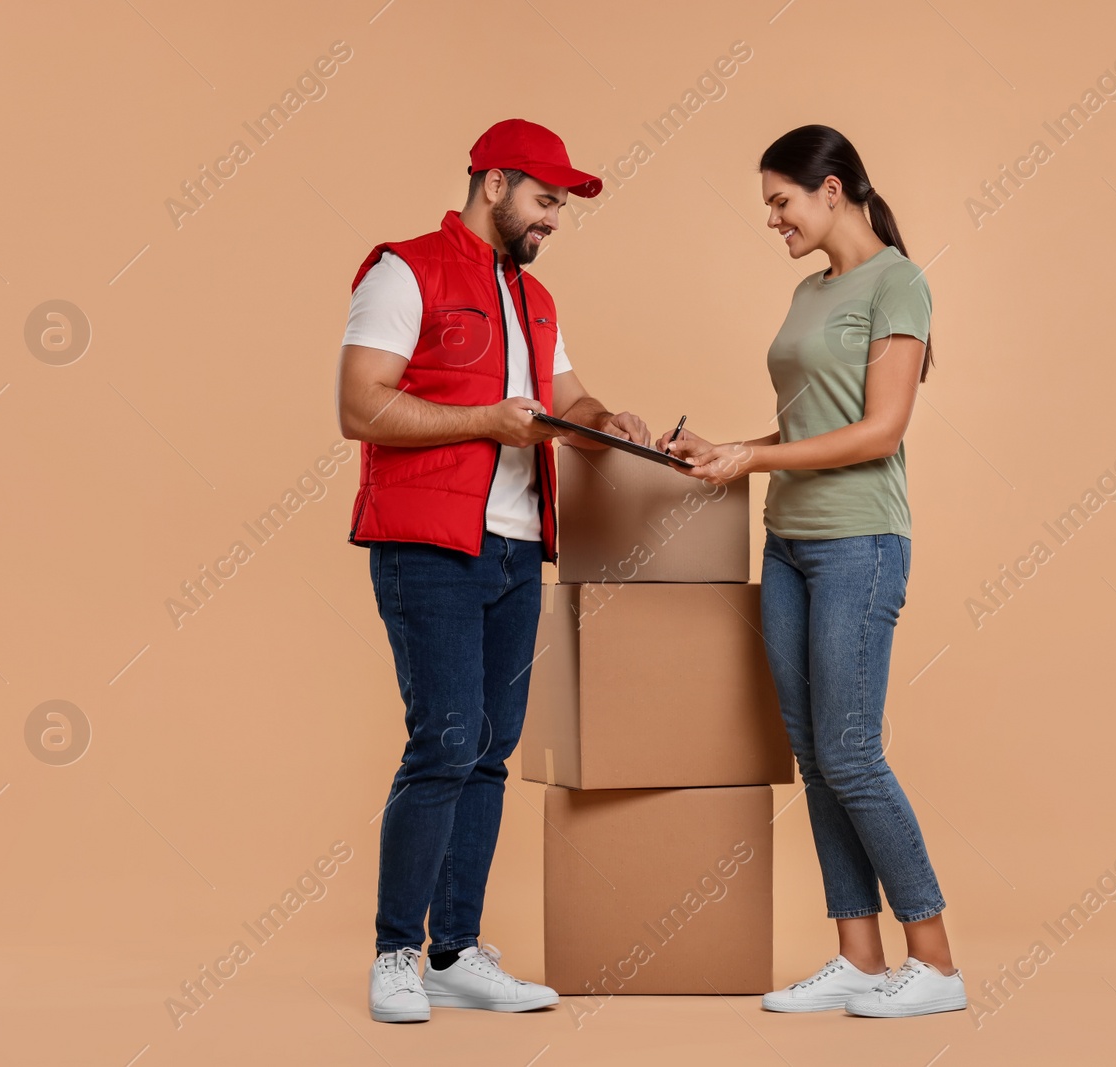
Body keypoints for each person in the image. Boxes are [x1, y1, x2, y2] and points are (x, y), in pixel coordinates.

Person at [336, 118, 652, 1024]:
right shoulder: (406, 268)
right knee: (441, 740)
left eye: (560, 207)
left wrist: (608, 416)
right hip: (430, 544)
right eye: (546, 200)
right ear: (496, 183)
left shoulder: (536, 296)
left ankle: (455, 950)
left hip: (518, 546)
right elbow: (360, 406)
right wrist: (484, 423)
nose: (552, 220)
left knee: (489, 752)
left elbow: (563, 398)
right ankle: (396, 951)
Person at [660, 124, 964, 1019]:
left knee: (852, 752)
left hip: (859, 543)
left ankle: (936, 962)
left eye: (779, 201)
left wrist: (751, 465)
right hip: (788, 541)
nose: (772, 219)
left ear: (833, 190)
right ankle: (859, 956)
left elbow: (880, 431)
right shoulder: (807, 290)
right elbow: (804, 430)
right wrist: (729, 450)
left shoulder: (900, 281)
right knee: (815, 754)